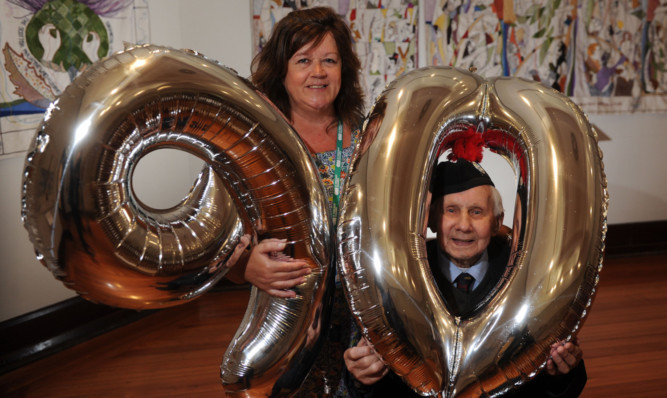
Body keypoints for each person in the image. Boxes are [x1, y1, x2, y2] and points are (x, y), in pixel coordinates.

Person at [343, 159, 588, 397]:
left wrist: (562, 374)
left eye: (477, 212)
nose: (464, 225)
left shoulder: (527, 278)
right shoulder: (399, 277)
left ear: (497, 222)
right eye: (451, 211)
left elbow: (549, 385)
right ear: (431, 221)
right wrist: (363, 379)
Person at [224, 6, 367, 396]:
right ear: (282, 70)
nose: (318, 72)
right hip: (291, 316)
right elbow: (219, 233)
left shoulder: (370, 135)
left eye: (329, 60)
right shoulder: (254, 142)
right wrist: (245, 266)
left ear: (345, 69)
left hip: (364, 318)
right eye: (303, 60)